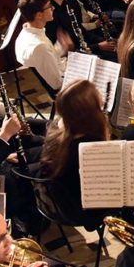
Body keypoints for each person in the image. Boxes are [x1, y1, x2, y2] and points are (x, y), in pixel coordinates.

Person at [38, 80, 112, 225]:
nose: (102, 102)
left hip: (56, 204)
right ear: (89, 112)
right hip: (80, 211)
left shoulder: (56, 135)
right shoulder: (92, 147)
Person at [13, 0, 65, 92]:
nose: (53, 8)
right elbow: (57, 84)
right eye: (50, 6)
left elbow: (47, 59)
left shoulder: (26, 31)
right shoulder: (39, 46)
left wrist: (61, 48)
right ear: (39, 15)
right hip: (58, 92)